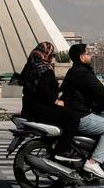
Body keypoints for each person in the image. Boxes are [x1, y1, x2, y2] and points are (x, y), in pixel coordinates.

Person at [14, 42, 87, 176]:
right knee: (73, 117)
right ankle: (62, 150)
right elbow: (46, 93)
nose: (52, 58)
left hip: (30, 108)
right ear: (46, 54)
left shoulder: (31, 66)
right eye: (51, 55)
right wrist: (56, 100)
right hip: (41, 108)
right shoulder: (45, 69)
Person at [60, 43, 104, 181]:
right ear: (81, 56)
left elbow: (93, 93)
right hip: (80, 114)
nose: (90, 56)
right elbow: (100, 90)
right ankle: (93, 162)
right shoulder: (82, 73)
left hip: (75, 112)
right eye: (87, 53)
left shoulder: (74, 71)